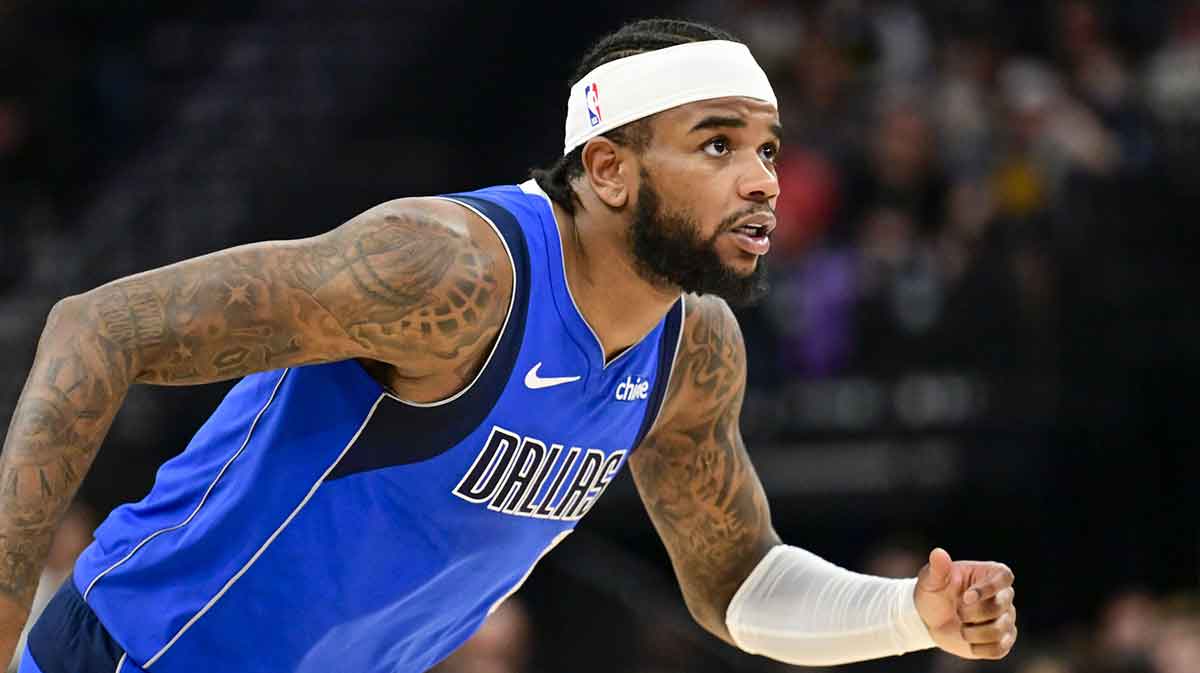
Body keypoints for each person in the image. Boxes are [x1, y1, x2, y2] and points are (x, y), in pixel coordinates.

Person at [0, 18, 1017, 673]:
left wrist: (908, 616)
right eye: (717, 145)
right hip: (137, 654)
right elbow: (99, 327)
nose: (759, 180)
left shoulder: (694, 350)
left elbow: (739, 584)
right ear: (610, 169)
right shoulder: (450, 271)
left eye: (766, 150)